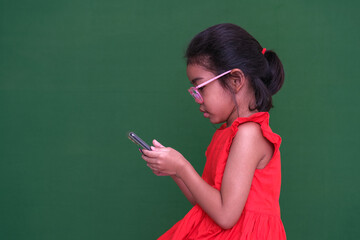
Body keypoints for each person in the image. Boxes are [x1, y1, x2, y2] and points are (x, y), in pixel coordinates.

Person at [141, 23, 286, 239]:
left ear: (235, 80)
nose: (197, 99)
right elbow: (208, 203)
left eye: (201, 88)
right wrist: (175, 171)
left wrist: (182, 166)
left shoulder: (249, 134)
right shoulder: (227, 133)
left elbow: (226, 215)